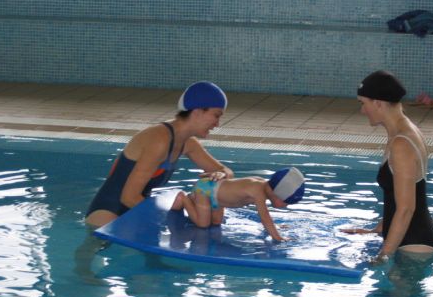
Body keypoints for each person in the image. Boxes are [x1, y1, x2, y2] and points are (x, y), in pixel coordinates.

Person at [85, 81, 234, 227]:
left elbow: (225, 171)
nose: (217, 124)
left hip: (138, 207)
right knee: (99, 249)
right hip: (109, 211)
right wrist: (163, 217)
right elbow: (128, 197)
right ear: (197, 112)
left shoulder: (187, 143)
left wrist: (221, 175)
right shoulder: (159, 140)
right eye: (216, 115)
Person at [342, 70, 433, 262]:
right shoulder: (404, 132)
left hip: (414, 246)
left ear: (378, 103)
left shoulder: (402, 144)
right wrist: (376, 230)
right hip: (409, 241)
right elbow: (398, 196)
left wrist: (383, 255)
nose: (362, 110)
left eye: (363, 103)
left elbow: (406, 209)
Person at [172, 167, 305, 241]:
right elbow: (264, 217)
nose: (285, 206)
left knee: (216, 222)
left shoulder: (262, 184)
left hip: (218, 197)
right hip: (205, 190)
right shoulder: (257, 191)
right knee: (203, 224)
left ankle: (193, 201)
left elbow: (265, 219)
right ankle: (184, 198)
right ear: (277, 194)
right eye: (285, 202)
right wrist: (278, 237)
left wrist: (275, 228)